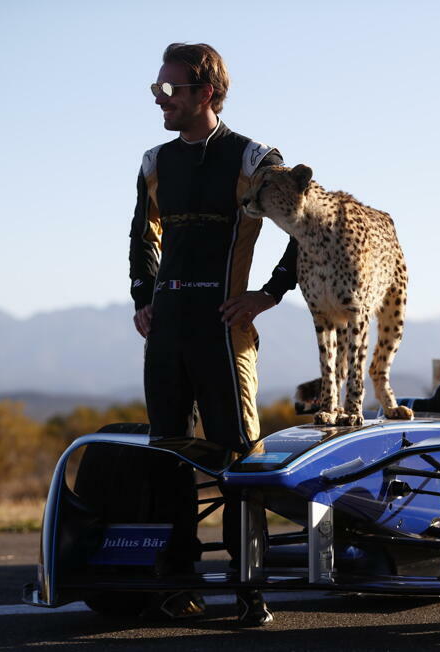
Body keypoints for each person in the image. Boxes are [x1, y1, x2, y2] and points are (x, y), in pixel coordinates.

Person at [128, 42, 296, 626]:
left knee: (239, 458)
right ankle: (180, 582)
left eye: (170, 90)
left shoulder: (253, 157)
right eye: (157, 88)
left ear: (207, 93)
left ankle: (251, 589)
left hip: (225, 327)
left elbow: (306, 223)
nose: (160, 100)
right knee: (168, 455)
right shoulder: (154, 161)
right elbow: (141, 237)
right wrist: (143, 299)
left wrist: (268, 295)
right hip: (167, 328)